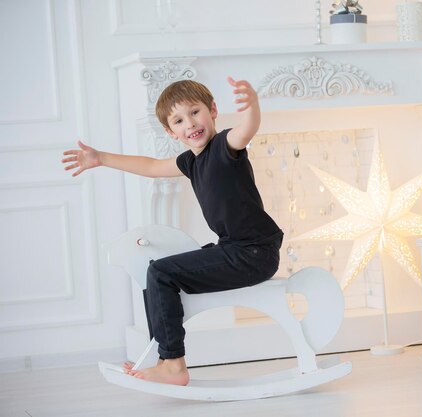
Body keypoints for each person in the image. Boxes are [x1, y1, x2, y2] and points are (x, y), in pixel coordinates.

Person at [61, 77, 283, 385]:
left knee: (161, 273)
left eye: (195, 112)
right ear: (170, 131)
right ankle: (163, 358)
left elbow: (247, 130)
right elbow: (151, 166)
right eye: (179, 120)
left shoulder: (224, 147)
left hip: (253, 252)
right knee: (157, 274)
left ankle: (174, 365)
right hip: (233, 248)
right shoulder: (191, 161)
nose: (190, 123)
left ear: (213, 110)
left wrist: (252, 105)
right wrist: (101, 159)